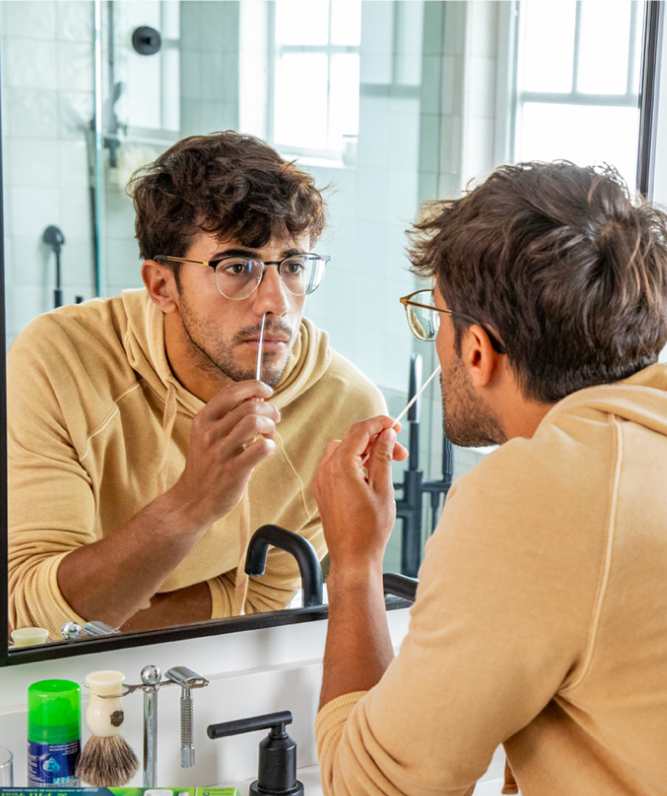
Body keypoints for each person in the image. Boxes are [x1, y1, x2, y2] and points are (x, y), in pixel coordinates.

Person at [313, 161, 667, 795]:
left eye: (435, 317)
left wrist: (354, 563)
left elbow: (373, 788)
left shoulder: (548, 493)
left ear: (477, 351)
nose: (436, 346)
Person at [8, 132, 385, 638]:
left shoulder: (344, 406)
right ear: (161, 286)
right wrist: (193, 503)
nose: (275, 300)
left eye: (293, 265)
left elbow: (258, 599)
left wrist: (103, 614)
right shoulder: (60, 360)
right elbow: (29, 619)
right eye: (237, 267)